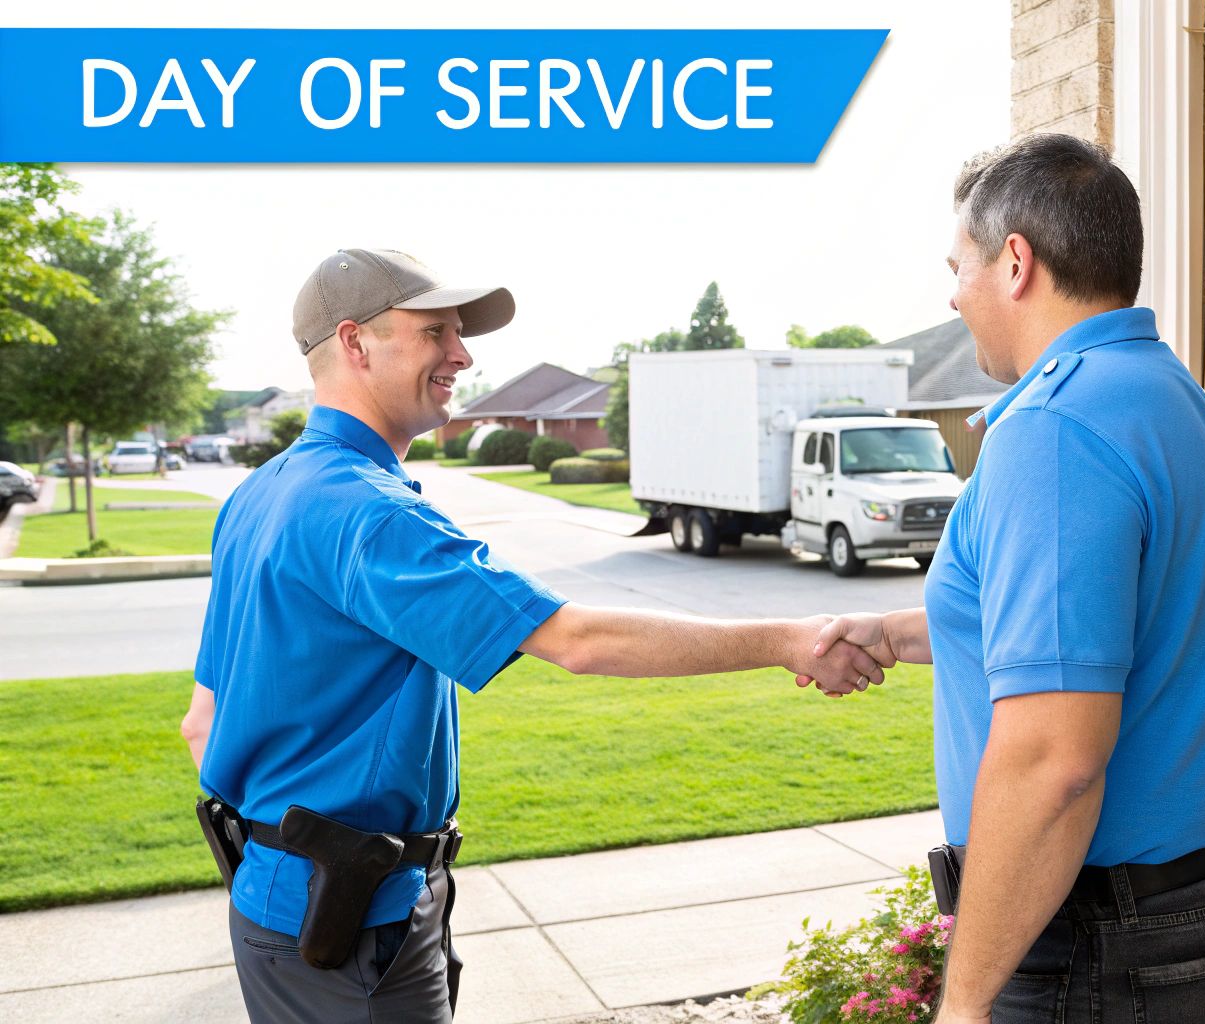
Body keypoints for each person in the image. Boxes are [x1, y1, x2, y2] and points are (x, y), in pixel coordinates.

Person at [179, 248, 882, 1024]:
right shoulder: (368, 512)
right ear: (354, 343)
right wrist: (788, 639)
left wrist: (280, 862)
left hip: (281, 906)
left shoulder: (257, 495)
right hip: (352, 920)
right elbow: (577, 640)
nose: (463, 354)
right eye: (436, 332)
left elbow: (201, 724)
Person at [806, 134, 1205, 1023]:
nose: (951, 295)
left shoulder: (1055, 432)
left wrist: (965, 1003)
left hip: (1102, 948)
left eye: (959, 267)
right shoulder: (1173, 398)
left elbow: (1055, 763)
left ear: (1015, 262)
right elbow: (1105, 624)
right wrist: (903, 630)